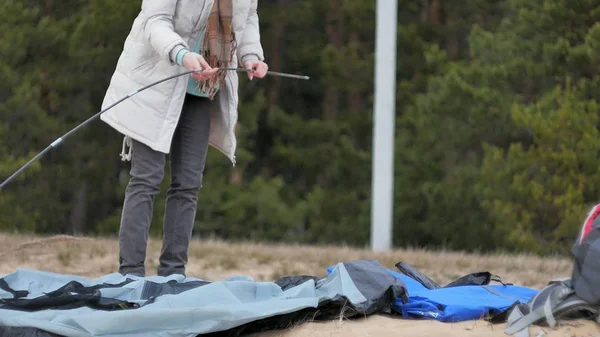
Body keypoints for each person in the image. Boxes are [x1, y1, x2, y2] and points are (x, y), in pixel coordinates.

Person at [99, 0, 268, 277]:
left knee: (188, 183)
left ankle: (173, 275)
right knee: (146, 178)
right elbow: (154, 22)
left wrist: (251, 56)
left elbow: (247, 18)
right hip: (156, 81)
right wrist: (181, 54)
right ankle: (130, 276)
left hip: (202, 90)